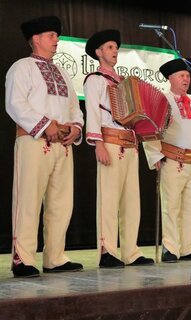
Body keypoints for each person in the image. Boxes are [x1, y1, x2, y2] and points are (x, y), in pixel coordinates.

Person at [5, 16, 84, 277]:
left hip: (62, 144)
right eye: (51, 36)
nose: (56, 40)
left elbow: (75, 106)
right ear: (36, 38)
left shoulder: (62, 71)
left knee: (61, 203)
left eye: (56, 36)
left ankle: (55, 257)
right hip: (33, 141)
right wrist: (45, 124)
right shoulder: (22, 67)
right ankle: (22, 259)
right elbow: (15, 104)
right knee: (28, 200)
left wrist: (75, 127)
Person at [84, 29, 153, 268]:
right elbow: (92, 111)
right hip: (111, 143)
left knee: (131, 201)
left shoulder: (124, 83)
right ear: (99, 52)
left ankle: (131, 251)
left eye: (116, 47)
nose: (115, 51)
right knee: (109, 199)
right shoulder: (94, 79)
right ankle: (107, 251)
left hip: (130, 145)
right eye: (110, 47)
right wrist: (98, 143)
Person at [143, 58, 191, 263]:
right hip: (172, 160)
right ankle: (170, 247)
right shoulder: (162, 99)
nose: (186, 79)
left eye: (188, 76)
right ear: (171, 78)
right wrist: (155, 155)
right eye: (182, 75)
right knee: (171, 205)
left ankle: (186, 246)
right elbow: (150, 129)